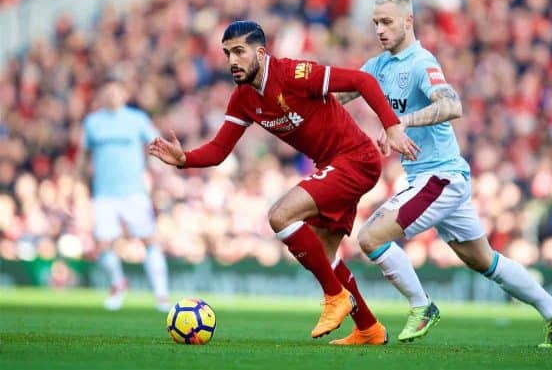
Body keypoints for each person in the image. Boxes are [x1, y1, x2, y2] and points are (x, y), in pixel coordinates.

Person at [149, 20, 419, 344]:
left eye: (239, 51)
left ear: (261, 53)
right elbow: (220, 150)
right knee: (323, 252)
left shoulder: (294, 74)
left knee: (280, 215)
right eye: (227, 54)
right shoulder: (243, 99)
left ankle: (335, 297)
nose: (232, 61)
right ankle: (369, 328)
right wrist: (185, 159)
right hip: (334, 165)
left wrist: (391, 127)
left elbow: (362, 80)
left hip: (356, 159)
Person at [335, 0, 552, 348]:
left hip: (440, 177)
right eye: (376, 24)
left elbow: (452, 104)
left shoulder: (422, 62)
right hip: (434, 178)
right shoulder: (377, 67)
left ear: (408, 21)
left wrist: (399, 122)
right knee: (484, 260)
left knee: (371, 237)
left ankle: (422, 305)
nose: (380, 30)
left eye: (387, 22)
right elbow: (336, 95)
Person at [76, 81, 170, 312]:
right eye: (107, 91)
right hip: (104, 193)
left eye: (116, 91)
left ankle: (161, 296)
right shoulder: (93, 122)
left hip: (134, 192)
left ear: (124, 94)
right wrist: (79, 183)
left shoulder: (136, 119)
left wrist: (159, 171)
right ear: (101, 94)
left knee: (149, 239)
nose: (112, 95)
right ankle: (118, 285)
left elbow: (156, 143)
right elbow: (83, 155)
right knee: (105, 244)